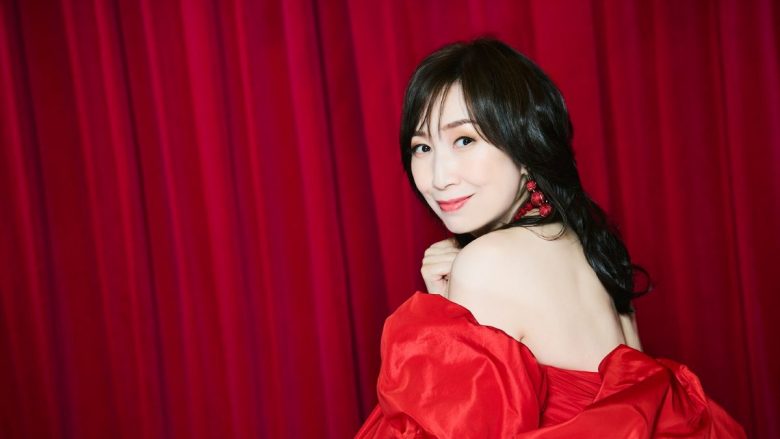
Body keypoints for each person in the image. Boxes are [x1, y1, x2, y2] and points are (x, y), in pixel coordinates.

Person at [355, 38, 746, 438]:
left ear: (525, 147)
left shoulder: (486, 264)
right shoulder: (585, 246)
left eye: (465, 140)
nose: (439, 177)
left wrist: (444, 315)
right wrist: (448, 311)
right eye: (422, 147)